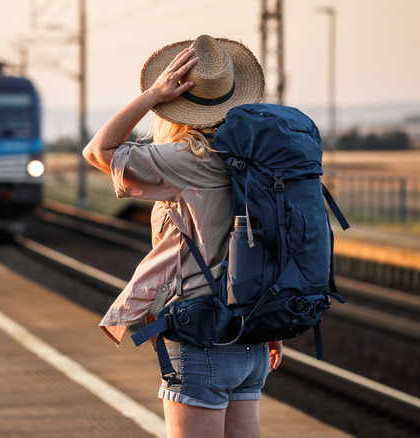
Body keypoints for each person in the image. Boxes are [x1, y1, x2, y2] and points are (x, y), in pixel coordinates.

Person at [83, 35, 283, 438]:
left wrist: (151, 97)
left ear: (177, 106)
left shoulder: (188, 160)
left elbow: (98, 151)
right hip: (255, 338)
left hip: (202, 338)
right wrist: (273, 331)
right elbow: (267, 242)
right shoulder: (259, 160)